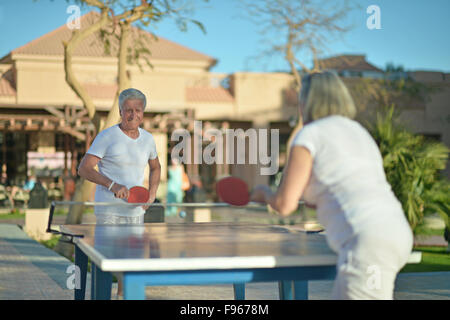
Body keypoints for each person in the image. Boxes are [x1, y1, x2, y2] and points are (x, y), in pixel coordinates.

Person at [250, 71, 413, 300]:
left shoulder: (309, 135)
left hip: (367, 239)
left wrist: (264, 193)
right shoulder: (359, 132)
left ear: (308, 102)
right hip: (396, 231)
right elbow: (344, 187)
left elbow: (284, 205)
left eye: (301, 101)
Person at [78, 88, 161, 224]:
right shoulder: (106, 136)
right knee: (108, 247)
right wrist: (113, 185)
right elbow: (84, 169)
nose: (134, 115)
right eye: (129, 110)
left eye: (138, 110)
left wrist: (152, 195)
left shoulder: (148, 139)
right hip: (109, 213)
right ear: (120, 112)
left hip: (136, 212)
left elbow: (156, 167)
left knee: (135, 247)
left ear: (143, 112)